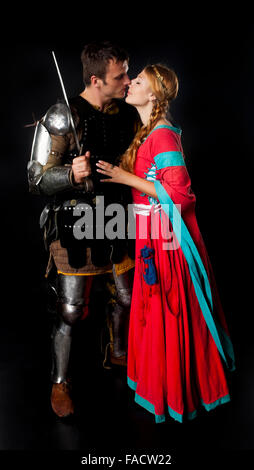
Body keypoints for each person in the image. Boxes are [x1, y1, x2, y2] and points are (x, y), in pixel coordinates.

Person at [96, 63, 235, 423]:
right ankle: (160, 386)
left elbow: (182, 196)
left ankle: (177, 394)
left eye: (138, 81)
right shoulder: (147, 132)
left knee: (169, 313)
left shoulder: (162, 135)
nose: (130, 84)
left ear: (153, 94)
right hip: (151, 238)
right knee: (154, 315)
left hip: (167, 244)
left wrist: (125, 177)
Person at [28, 41, 139, 418]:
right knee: (72, 310)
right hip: (75, 222)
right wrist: (70, 175)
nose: (128, 80)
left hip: (119, 217)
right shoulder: (63, 115)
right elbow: (35, 177)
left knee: (126, 297)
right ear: (96, 80)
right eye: (120, 75)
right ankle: (60, 381)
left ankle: (119, 353)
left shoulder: (128, 113)